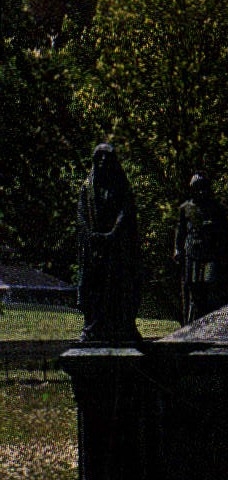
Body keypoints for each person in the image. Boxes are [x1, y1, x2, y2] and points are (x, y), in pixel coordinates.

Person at [76, 143, 141, 344]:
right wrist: (91, 235)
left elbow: (126, 211)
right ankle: (93, 326)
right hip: (94, 247)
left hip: (116, 248)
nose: (104, 161)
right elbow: (81, 215)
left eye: (107, 158)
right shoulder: (87, 187)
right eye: (100, 157)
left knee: (117, 286)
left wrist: (113, 233)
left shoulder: (121, 186)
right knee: (93, 286)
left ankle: (122, 326)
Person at [174, 173, 228, 323]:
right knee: (193, 289)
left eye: (203, 189)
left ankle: (211, 321)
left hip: (210, 254)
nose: (201, 192)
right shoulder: (185, 208)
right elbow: (180, 231)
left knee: (210, 285)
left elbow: (224, 233)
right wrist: (177, 249)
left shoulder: (215, 208)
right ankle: (192, 321)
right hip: (192, 253)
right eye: (198, 189)